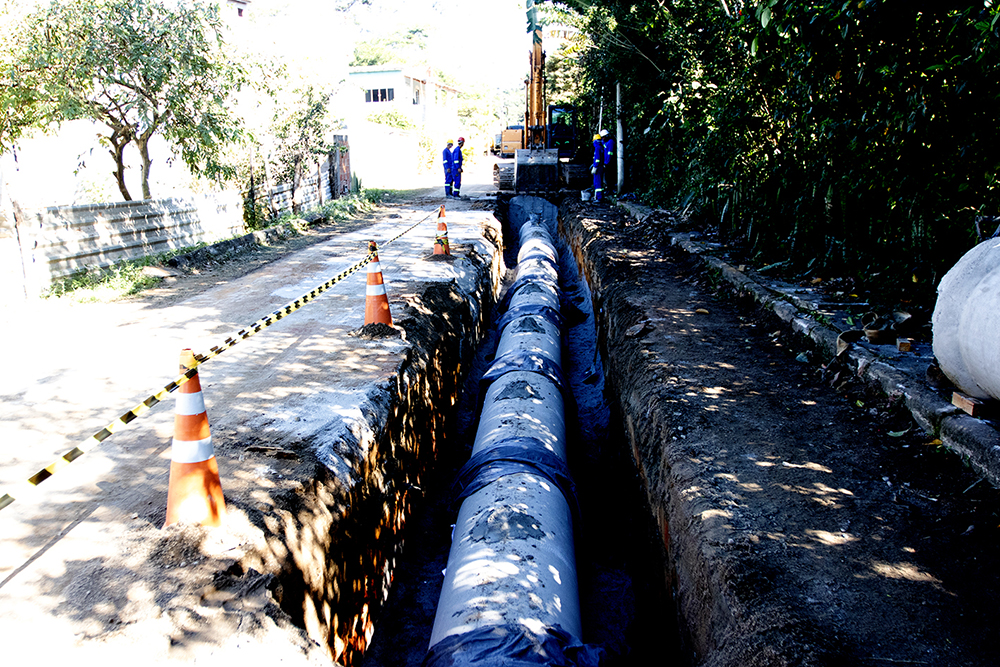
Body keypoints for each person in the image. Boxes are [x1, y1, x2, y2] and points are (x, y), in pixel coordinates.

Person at [600, 129, 615, 197]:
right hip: (605, 162)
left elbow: (610, 153)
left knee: (610, 176)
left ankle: (610, 189)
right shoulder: (604, 142)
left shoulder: (610, 142)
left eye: (604, 137)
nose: (603, 138)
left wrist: (607, 162)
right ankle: (608, 189)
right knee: (606, 177)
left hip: (610, 163)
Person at [591, 133, 604, 202]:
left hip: (598, 168)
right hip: (601, 167)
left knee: (597, 182)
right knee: (600, 182)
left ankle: (599, 198)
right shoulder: (601, 147)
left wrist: (595, 166)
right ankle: (600, 196)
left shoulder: (597, 148)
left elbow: (597, 159)